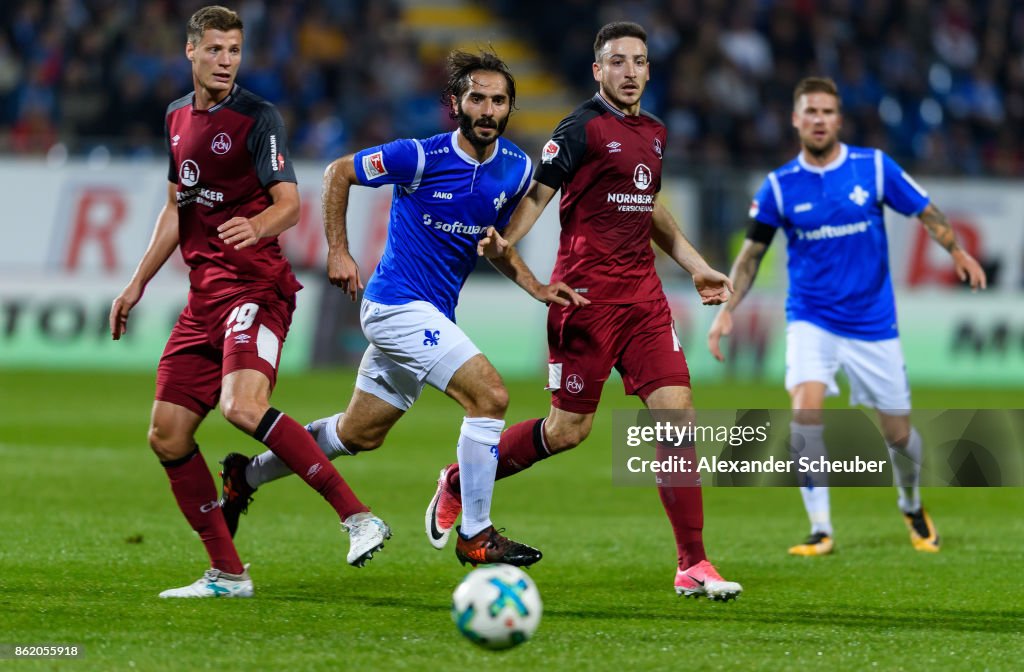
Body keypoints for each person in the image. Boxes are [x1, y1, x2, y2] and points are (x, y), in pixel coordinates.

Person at [218, 50, 584, 567]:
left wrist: (536, 286)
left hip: (433, 317)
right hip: (395, 308)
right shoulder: (420, 156)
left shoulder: (515, 170)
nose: (487, 109)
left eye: (498, 101)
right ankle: (476, 533)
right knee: (491, 397)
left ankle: (245, 475)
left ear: (508, 109)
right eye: (476, 98)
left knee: (357, 434)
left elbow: (494, 245)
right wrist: (339, 251)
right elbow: (337, 173)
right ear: (455, 103)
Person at [425, 22, 743, 600]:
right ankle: (460, 477)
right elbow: (540, 192)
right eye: (616, 61)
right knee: (568, 431)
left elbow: (649, 207)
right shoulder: (580, 127)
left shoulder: (655, 132)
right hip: (586, 304)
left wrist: (695, 265)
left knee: (677, 419)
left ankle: (693, 563)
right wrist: (507, 241)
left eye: (638, 61)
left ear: (649, 70)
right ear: (598, 70)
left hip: (645, 303)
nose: (629, 71)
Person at [109, 5, 387, 598]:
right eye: (214, 49)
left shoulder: (258, 117)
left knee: (241, 406)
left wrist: (255, 228)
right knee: (167, 434)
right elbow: (174, 207)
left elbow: (288, 202)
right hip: (203, 301)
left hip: (256, 291)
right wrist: (136, 283)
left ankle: (357, 516)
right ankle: (228, 574)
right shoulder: (175, 118)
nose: (225, 60)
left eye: (233, 50)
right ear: (191, 52)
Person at [707, 76, 987, 556]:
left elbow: (925, 210)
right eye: (810, 112)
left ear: (839, 119)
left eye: (827, 112)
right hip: (811, 318)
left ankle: (911, 503)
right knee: (805, 411)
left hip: (873, 324)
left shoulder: (873, 168)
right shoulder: (779, 186)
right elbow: (751, 255)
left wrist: (958, 252)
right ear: (796, 120)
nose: (819, 120)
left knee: (898, 433)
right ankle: (821, 529)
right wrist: (726, 310)